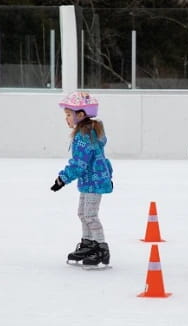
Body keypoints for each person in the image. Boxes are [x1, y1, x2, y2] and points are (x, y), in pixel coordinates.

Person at [50, 91, 113, 268]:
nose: (67, 119)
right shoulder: (89, 134)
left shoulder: (83, 138)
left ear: (81, 115)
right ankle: (88, 243)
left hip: (94, 182)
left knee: (90, 215)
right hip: (90, 181)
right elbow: (102, 159)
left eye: (69, 115)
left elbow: (79, 164)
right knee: (82, 213)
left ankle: (101, 247)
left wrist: (62, 179)